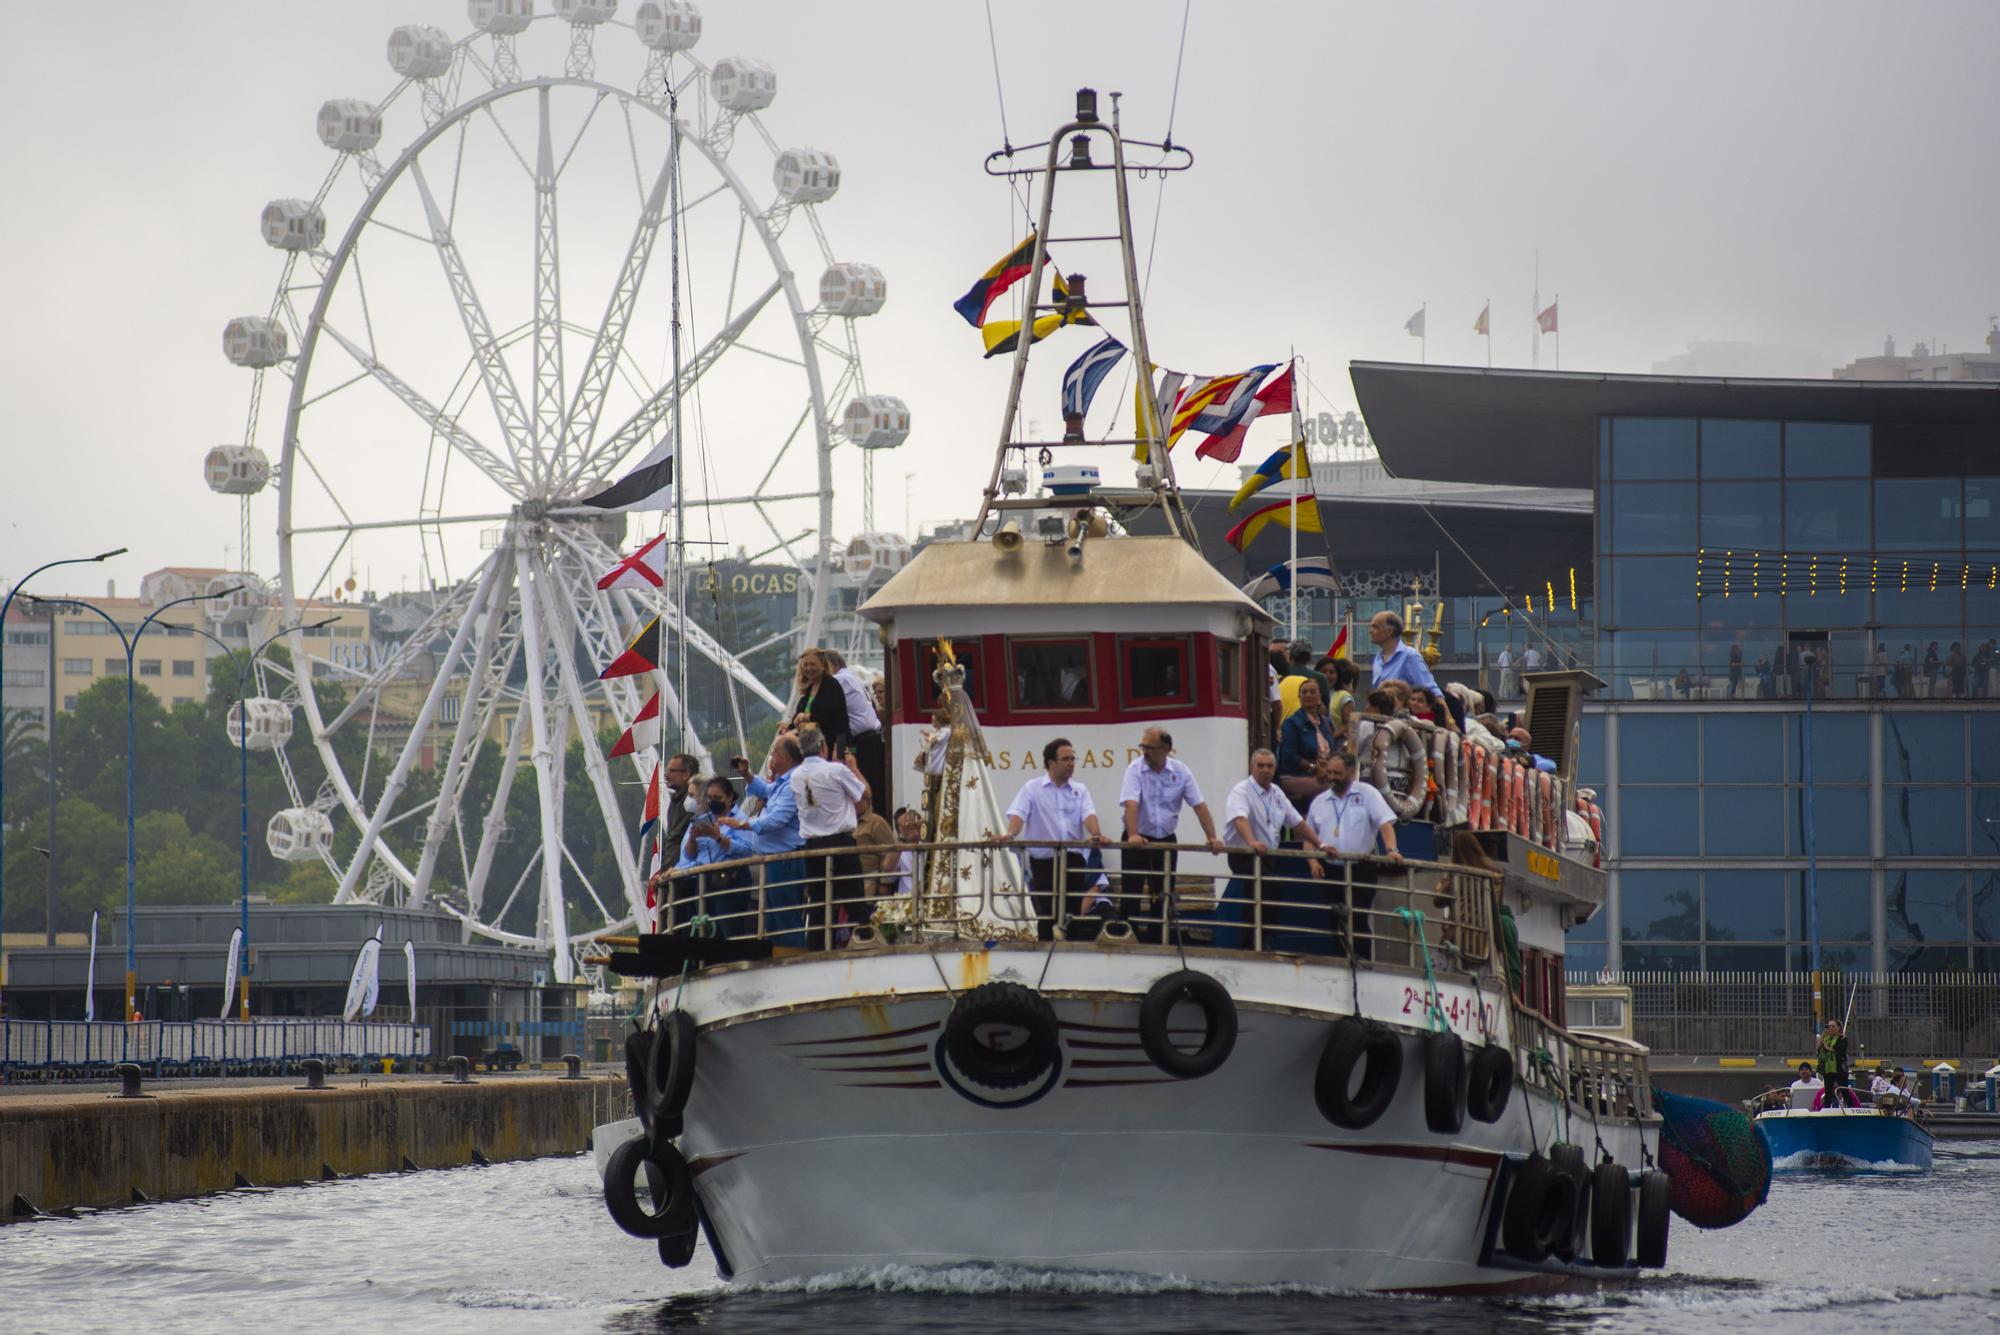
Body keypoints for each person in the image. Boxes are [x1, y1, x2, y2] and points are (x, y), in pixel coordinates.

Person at [1118, 728, 1225, 939]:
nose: (1145, 752)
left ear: (1166, 749)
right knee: (1132, 892)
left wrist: (1212, 837)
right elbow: (1131, 803)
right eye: (1143, 747)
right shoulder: (1135, 769)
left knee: (1164, 894)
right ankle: (1127, 938)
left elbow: (1199, 806)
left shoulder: (1181, 771)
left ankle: (1159, 939)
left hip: (1166, 839)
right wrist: (1133, 834)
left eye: (1150, 748)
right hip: (1138, 838)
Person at [1213, 748, 1324, 949]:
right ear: (1251, 767)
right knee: (1265, 888)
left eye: (1269, 766)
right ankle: (1254, 942)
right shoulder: (1241, 790)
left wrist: (1321, 844)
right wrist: (1251, 841)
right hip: (1244, 853)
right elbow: (1240, 819)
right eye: (1260, 766)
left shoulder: (1277, 792)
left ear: (1275, 769)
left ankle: (1264, 938)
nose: (1265, 770)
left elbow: (1297, 823)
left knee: (1266, 894)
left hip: (1267, 854)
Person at [999, 738, 1106, 940]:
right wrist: (1010, 834)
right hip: (1044, 861)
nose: (1071, 764)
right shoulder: (1032, 788)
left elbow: (1088, 815)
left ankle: (1071, 949)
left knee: (1072, 910)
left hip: (1074, 859)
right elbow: (1019, 813)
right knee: (1047, 911)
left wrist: (1096, 833)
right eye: (1065, 759)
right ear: (1051, 763)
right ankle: (1047, 949)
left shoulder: (1080, 789)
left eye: (1073, 759)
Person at [1304, 751, 1402, 960]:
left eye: (1337, 773)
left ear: (1350, 772)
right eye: (1329, 772)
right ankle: (1342, 958)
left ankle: (1362, 960)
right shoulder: (1320, 801)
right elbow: (1309, 836)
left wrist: (1392, 850)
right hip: (1330, 868)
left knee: (1358, 916)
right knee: (1335, 917)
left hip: (1361, 868)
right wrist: (1312, 861)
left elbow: (1385, 823)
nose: (1331, 777)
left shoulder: (1368, 794)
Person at [719, 737, 807, 948]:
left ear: (785, 756)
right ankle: (781, 955)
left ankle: (792, 957)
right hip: (775, 861)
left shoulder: (793, 783)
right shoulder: (783, 782)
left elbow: (776, 819)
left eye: (774, 752)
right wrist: (747, 775)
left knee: (785, 916)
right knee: (773, 918)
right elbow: (766, 791)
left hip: (785, 861)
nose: (771, 757)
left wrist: (742, 824)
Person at [791, 723, 867, 943]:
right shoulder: (836, 770)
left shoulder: (796, 776)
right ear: (823, 746)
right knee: (855, 901)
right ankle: (863, 942)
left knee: (818, 903)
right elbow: (861, 794)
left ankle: (817, 948)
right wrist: (852, 767)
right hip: (840, 842)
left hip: (812, 847)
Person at [824, 648, 887, 808]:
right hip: (870, 738)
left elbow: (830, 712)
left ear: (834, 665)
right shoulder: (850, 676)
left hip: (864, 741)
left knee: (867, 787)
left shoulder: (840, 680)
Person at [1277, 679, 1340, 807]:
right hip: (1297, 775)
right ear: (1299, 698)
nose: (1308, 695)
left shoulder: (1326, 723)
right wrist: (1315, 768)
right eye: (1304, 692)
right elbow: (1289, 757)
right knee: (1334, 790)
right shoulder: (1292, 723)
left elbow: (1333, 751)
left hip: (1326, 773)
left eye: (1312, 692)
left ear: (1319, 697)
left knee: (1350, 785)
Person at [789, 646, 851, 754]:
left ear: (823, 665)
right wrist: (789, 726)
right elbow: (798, 715)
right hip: (815, 746)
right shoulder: (809, 689)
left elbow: (825, 716)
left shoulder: (831, 685)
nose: (809, 668)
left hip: (835, 745)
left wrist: (804, 717)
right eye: (805, 665)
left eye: (812, 664)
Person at [851, 788, 899, 900]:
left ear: (868, 801)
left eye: (862, 799)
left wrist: (884, 884)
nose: (857, 802)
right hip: (850, 881)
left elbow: (887, 853)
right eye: (854, 798)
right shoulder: (847, 822)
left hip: (869, 883)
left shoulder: (876, 822)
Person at [1277, 641, 1331, 720]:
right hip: (1312, 725)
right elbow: (1326, 711)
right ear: (1309, 658)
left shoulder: (1281, 676)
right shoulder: (1320, 678)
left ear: (1290, 656)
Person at [663, 752, 699, 870]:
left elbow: (677, 839)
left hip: (683, 870)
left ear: (686, 774)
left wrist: (667, 869)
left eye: (672, 771)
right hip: (675, 869)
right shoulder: (675, 803)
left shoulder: (691, 802)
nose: (666, 775)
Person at [1815, 1018, 1851, 1107]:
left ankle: (1851, 1108)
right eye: (1829, 1026)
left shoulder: (1842, 1038)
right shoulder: (1826, 1038)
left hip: (1839, 1069)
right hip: (1828, 1069)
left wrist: (1827, 1048)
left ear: (1838, 1028)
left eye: (1833, 1026)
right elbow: (1818, 1046)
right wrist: (1823, 1034)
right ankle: (1826, 1109)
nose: (1831, 1028)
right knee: (1828, 1092)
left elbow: (1839, 1050)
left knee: (1844, 1091)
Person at [890, 807, 923, 897]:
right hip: (907, 901)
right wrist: (903, 836)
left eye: (914, 822)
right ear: (898, 831)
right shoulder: (899, 851)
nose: (911, 826)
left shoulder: (929, 844)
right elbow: (889, 872)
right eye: (905, 824)